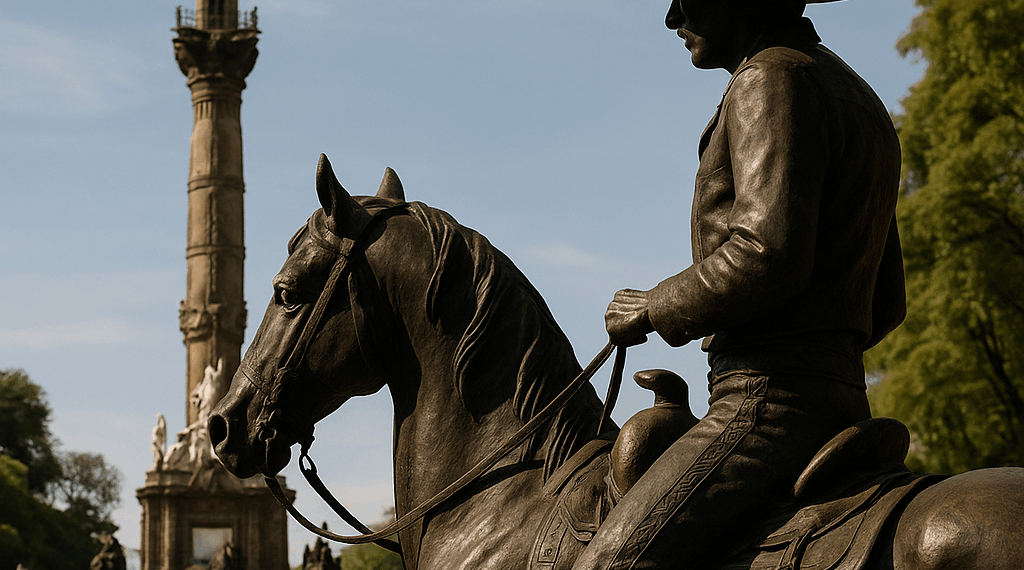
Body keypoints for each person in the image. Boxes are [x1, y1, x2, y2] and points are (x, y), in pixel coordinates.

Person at [573, 0, 905, 568]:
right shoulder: (857, 93)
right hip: (844, 399)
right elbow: (887, 300)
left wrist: (655, 306)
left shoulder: (769, 78)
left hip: (767, 406)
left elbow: (765, 253)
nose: (673, 16)